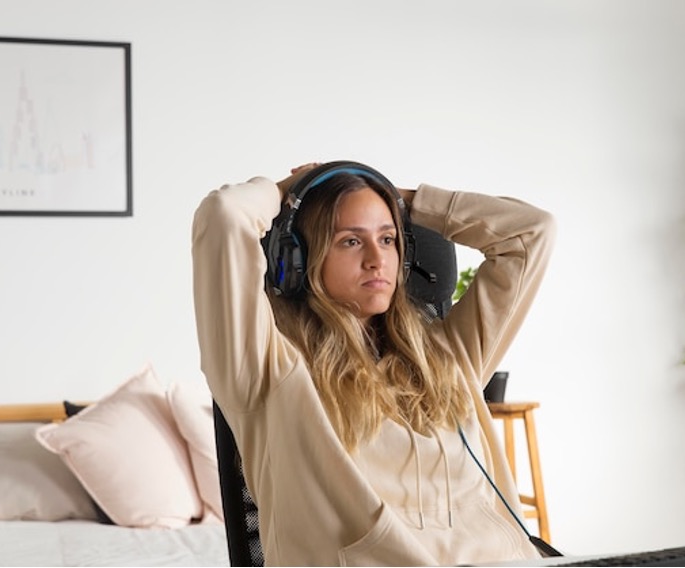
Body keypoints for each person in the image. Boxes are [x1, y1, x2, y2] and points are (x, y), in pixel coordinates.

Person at [192, 161, 555, 566]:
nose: (375, 259)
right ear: (298, 258)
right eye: (350, 241)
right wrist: (292, 190)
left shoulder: (449, 353)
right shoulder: (268, 369)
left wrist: (399, 200)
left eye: (387, 238)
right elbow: (223, 215)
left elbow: (531, 233)